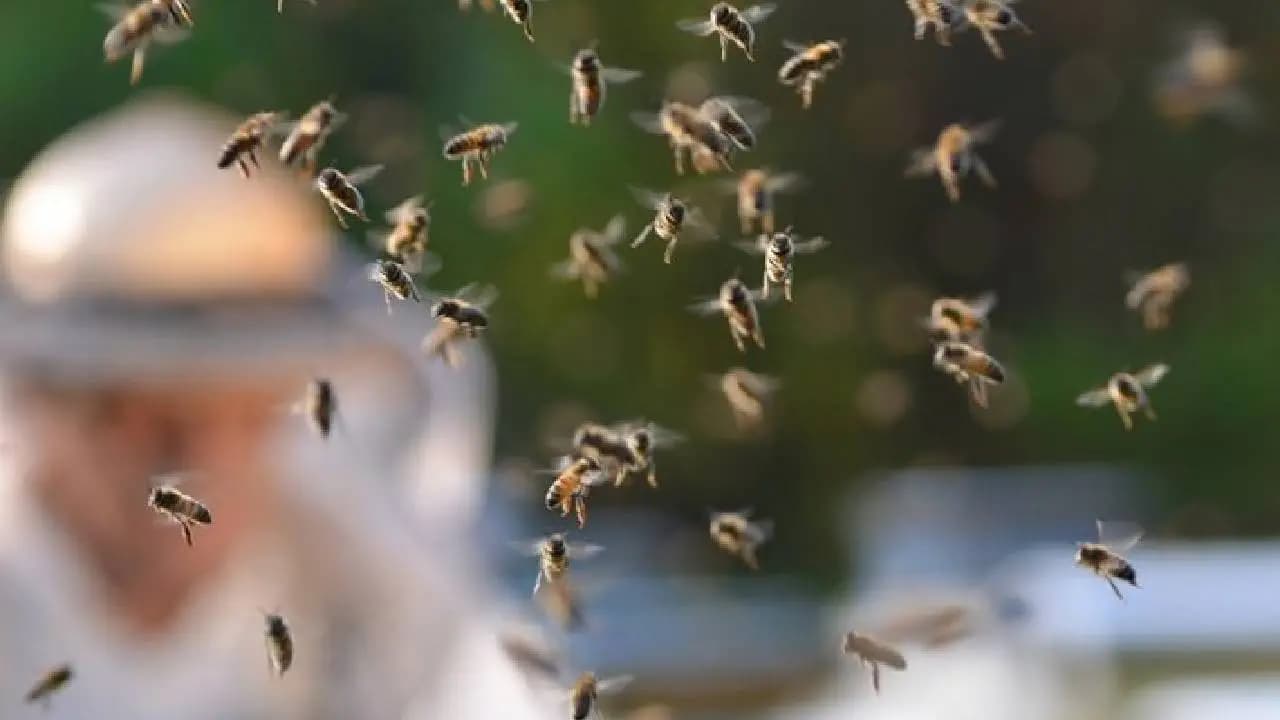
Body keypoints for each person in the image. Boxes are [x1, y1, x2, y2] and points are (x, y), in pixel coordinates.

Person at [0, 94, 556, 719]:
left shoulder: (367, 582)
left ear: (273, 407)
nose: (179, 459)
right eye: (124, 413)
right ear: (38, 402)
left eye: (220, 414)